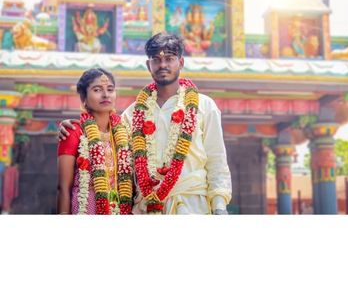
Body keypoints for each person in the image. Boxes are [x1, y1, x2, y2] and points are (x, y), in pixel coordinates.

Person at [59, 32, 232, 215]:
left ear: (180, 63)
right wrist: (76, 126)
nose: (163, 65)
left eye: (169, 58)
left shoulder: (203, 105)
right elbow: (105, 136)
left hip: (191, 206)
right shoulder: (132, 113)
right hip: (144, 208)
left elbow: (217, 160)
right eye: (156, 59)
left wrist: (220, 206)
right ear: (148, 65)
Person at [57, 68, 133, 215]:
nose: (105, 95)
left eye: (110, 89)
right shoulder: (74, 131)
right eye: (97, 90)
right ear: (84, 98)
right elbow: (63, 188)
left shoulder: (124, 133)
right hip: (85, 207)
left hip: (119, 208)